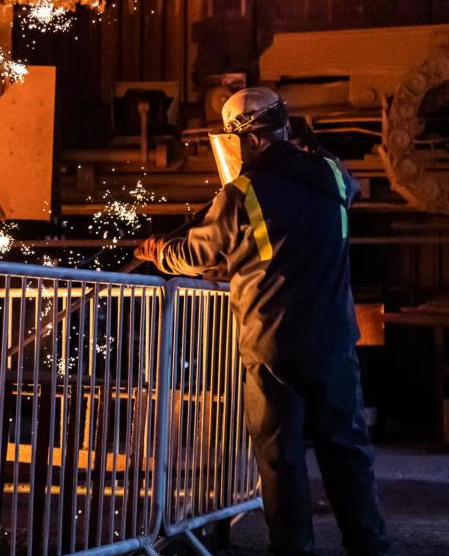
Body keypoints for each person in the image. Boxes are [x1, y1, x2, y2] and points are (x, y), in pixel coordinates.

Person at [134, 87, 390, 556]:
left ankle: (292, 549)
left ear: (244, 141)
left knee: (281, 460)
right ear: (287, 128)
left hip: (273, 346)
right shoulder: (332, 175)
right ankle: (369, 545)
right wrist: (315, 149)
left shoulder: (242, 192)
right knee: (347, 451)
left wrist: (154, 250)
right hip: (334, 341)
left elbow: (196, 253)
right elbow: (342, 193)